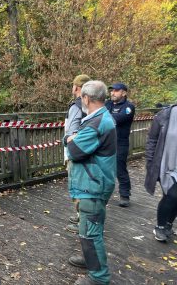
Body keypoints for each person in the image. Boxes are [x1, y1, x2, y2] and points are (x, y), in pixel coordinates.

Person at [65, 81, 117, 285]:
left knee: (91, 233)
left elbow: (75, 151)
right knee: (90, 229)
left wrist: (72, 139)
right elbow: (74, 142)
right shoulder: (100, 117)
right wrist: (73, 139)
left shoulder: (97, 122)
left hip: (92, 186)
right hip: (94, 183)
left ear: (86, 98)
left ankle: (99, 278)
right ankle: (90, 259)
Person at [145, 104, 177, 242]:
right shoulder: (165, 115)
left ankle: (168, 224)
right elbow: (152, 140)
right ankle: (160, 226)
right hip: (168, 163)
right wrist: (151, 162)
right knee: (171, 195)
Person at [64, 74, 91, 234]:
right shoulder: (93, 105)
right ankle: (81, 216)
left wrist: (68, 147)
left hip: (76, 152)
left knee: (78, 187)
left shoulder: (76, 106)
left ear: (76, 88)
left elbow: (72, 131)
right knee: (84, 187)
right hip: (87, 153)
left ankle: (82, 220)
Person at [105, 83, 135, 207]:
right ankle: (103, 193)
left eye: (116, 91)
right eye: (112, 90)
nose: (113, 93)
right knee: (103, 168)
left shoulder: (129, 107)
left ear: (124, 93)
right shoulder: (108, 104)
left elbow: (115, 119)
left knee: (119, 168)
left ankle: (125, 195)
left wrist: (103, 116)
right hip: (106, 141)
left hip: (120, 142)